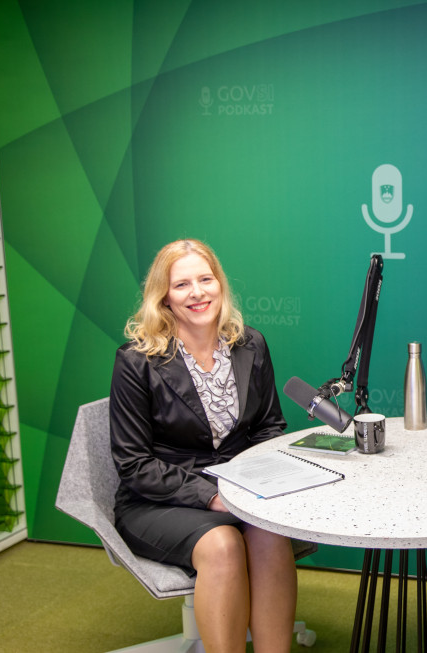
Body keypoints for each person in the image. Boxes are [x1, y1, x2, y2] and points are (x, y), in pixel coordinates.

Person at [110, 239, 297, 653]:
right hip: (157, 501)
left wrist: (263, 483)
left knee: (269, 535)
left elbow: (269, 427)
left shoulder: (250, 345)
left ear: (220, 285)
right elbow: (134, 464)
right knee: (223, 544)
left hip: (237, 489)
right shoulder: (136, 361)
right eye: (181, 285)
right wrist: (213, 496)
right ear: (164, 297)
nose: (197, 293)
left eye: (205, 279)